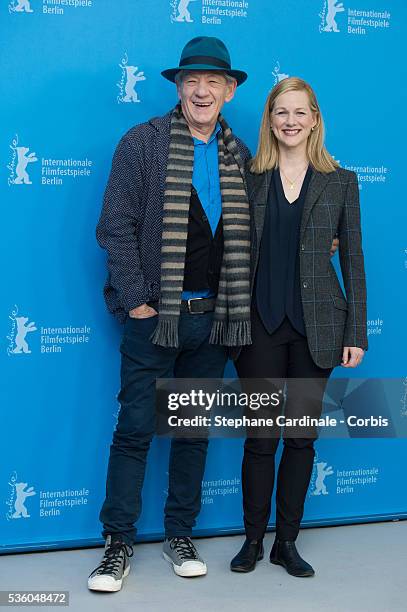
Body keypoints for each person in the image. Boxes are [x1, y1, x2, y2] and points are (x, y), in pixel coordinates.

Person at [88, 36, 252, 591]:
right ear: (178, 87)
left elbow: (257, 233)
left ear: (229, 91)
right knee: (135, 428)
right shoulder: (143, 143)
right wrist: (138, 302)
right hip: (154, 319)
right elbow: (115, 226)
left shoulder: (239, 155)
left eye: (213, 82)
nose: (201, 91)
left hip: (213, 321)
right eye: (191, 81)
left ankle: (180, 532)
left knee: (190, 432)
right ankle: (117, 544)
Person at [230, 77, 367, 576]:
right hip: (258, 326)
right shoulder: (247, 176)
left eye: (300, 112)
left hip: (319, 329)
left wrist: (356, 331)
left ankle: (286, 543)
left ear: (314, 119)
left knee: (301, 439)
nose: (290, 121)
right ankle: (251, 541)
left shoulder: (341, 181)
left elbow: (354, 258)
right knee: (261, 439)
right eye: (281, 112)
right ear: (270, 119)